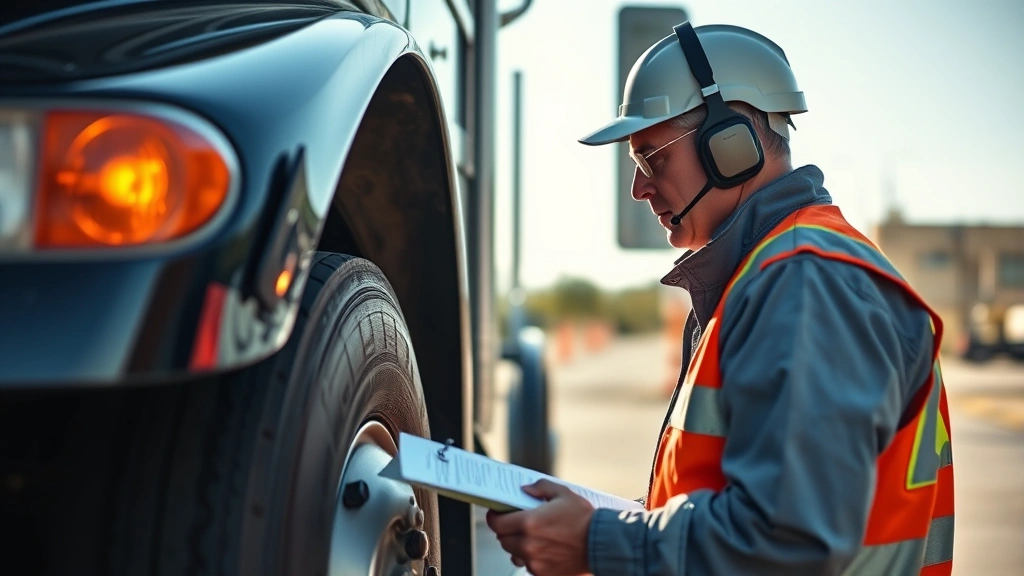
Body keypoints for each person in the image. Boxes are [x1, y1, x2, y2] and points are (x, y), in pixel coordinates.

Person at [485, 21, 955, 576]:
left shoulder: (806, 282)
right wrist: (618, 522)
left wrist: (598, 542)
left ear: (730, 145)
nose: (639, 188)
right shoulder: (769, 277)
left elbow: (790, 541)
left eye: (652, 159)